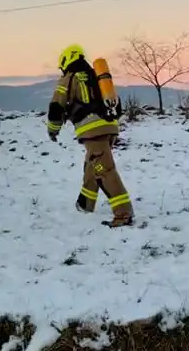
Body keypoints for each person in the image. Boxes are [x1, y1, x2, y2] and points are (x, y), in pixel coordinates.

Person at [47, 44, 133, 227]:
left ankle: (123, 214)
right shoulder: (95, 75)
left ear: (67, 59)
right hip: (109, 127)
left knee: (104, 170)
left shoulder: (69, 78)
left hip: (93, 131)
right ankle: (86, 204)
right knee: (92, 165)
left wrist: (53, 129)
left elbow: (56, 106)